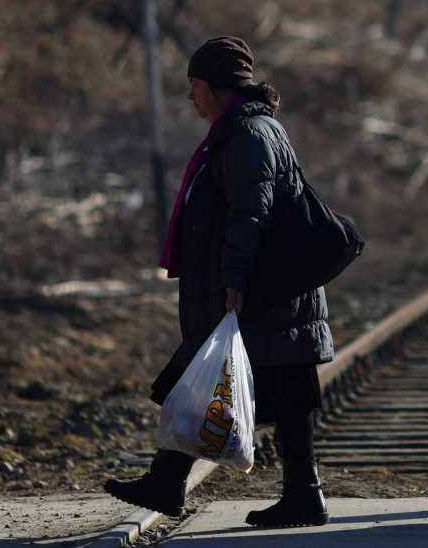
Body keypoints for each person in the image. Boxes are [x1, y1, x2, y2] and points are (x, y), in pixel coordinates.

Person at [103, 36, 334, 529]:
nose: (191, 96)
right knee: (228, 383)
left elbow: (251, 212)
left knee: (223, 382)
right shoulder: (243, 130)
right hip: (265, 290)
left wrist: (234, 279)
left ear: (216, 86)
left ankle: (292, 495)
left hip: (259, 291)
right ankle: (177, 482)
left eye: (195, 85)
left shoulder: (248, 134)